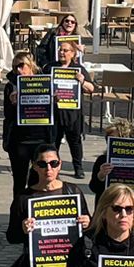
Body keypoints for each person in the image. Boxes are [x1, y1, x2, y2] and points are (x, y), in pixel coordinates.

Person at [1, 51, 54, 218]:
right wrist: (12, 102)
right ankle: (17, 216)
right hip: (20, 138)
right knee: (19, 179)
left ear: (30, 66)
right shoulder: (11, 85)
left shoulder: (44, 82)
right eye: (15, 66)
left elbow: (52, 112)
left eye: (21, 65)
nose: (18, 70)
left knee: (39, 179)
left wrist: (54, 100)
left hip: (40, 136)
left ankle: (37, 214)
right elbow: (8, 115)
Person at [47, 35, 97, 175]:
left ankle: (78, 167)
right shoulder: (50, 67)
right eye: (60, 50)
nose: (62, 53)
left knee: (75, 141)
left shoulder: (78, 69)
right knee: (53, 142)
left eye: (66, 50)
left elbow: (91, 89)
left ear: (73, 53)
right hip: (55, 111)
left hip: (72, 112)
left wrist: (82, 81)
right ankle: (53, 167)